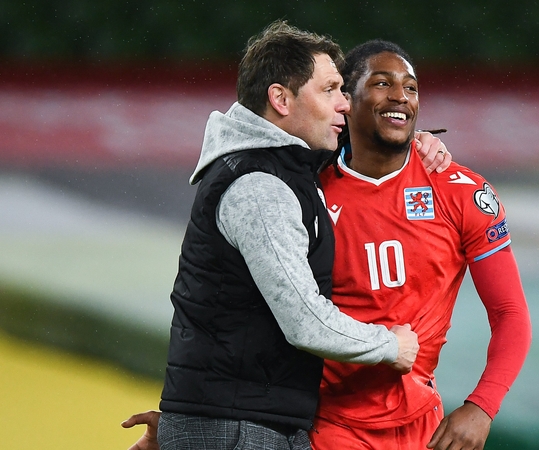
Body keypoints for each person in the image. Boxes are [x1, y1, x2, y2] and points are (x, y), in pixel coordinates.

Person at [123, 21, 451, 450]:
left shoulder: (283, 168)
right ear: (280, 99)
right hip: (240, 430)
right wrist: (390, 345)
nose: (345, 106)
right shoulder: (261, 186)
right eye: (331, 89)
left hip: (239, 424)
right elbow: (304, 322)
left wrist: (413, 143)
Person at [309, 40, 532, 450]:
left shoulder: (462, 192)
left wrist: (482, 407)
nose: (400, 96)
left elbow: (510, 313)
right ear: (346, 99)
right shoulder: (305, 192)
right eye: (382, 83)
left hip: (422, 429)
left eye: (410, 88)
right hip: (325, 424)